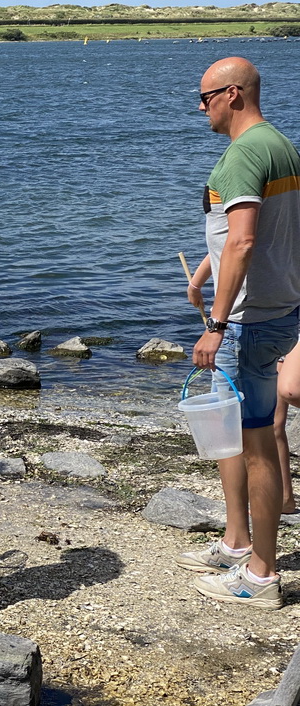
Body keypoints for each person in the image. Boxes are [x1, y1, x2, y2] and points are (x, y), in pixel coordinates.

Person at [177, 57, 300, 610]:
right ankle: (237, 541)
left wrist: (218, 322)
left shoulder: (244, 154)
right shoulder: (279, 145)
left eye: (204, 98)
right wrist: (204, 273)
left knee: (255, 446)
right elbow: (256, 234)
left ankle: (261, 575)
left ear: (232, 95)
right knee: (242, 432)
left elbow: (246, 241)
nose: (200, 108)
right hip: (279, 311)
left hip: (248, 324)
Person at [185, 254, 298, 518]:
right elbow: (223, 246)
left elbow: (237, 243)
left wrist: (214, 322)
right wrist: (196, 284)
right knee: (274, 422)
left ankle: (247, 528)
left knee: (279, 400)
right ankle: (284, 499)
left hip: (275, 315)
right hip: (277, 314)